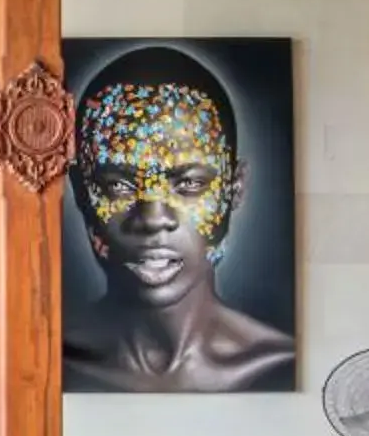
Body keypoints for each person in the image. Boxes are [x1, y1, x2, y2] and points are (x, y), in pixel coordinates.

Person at [62, 45, 294, 393]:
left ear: (235, 189)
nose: (154, 219)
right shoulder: (47, 362)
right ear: (82, 191)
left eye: (189, 184)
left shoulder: (276, 365)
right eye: (119, 186)